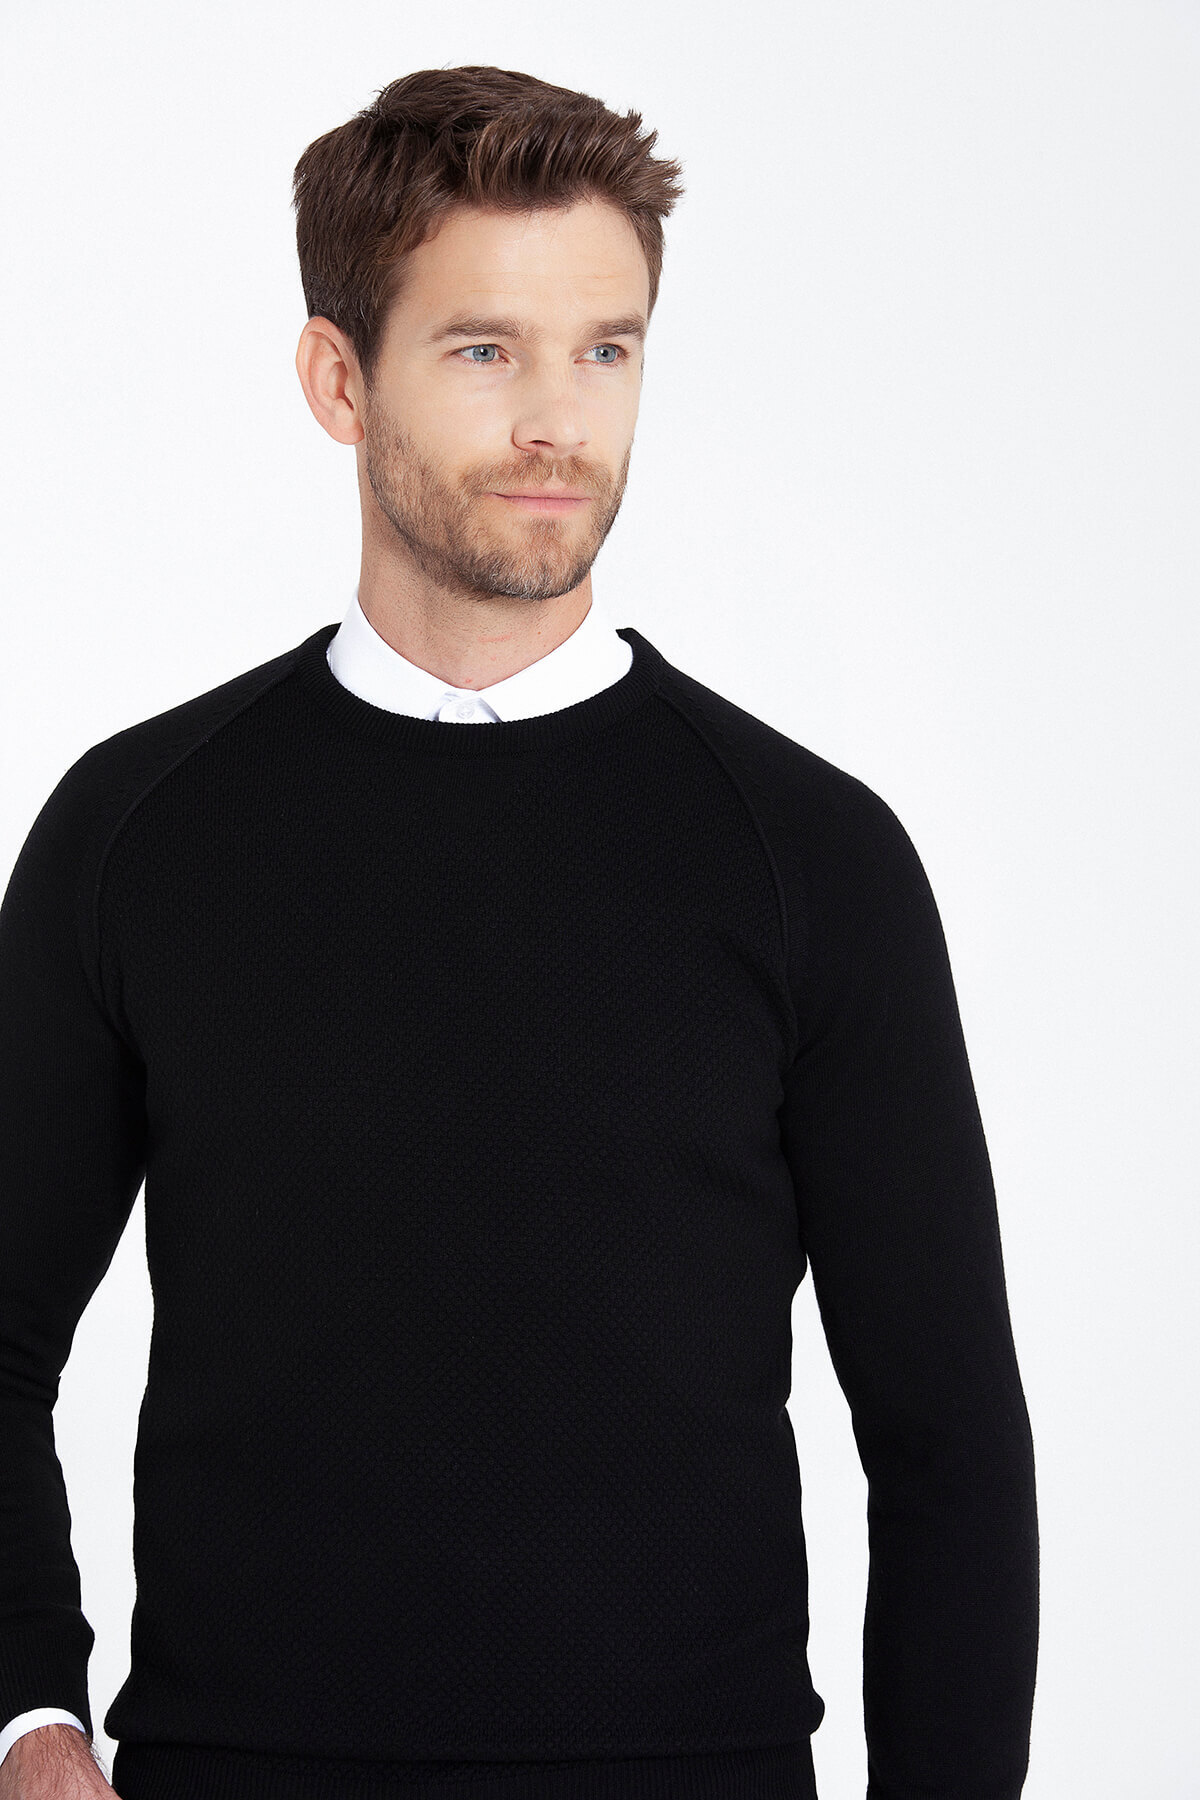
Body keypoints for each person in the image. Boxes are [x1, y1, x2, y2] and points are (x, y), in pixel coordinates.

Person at [0, 65, 1039, 1800]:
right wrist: (26, 1721)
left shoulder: (813, 858)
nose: (560, 419)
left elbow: (946, 1438)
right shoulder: (137, 834)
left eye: (606, 350)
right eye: (486, 350)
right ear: (340, 378)